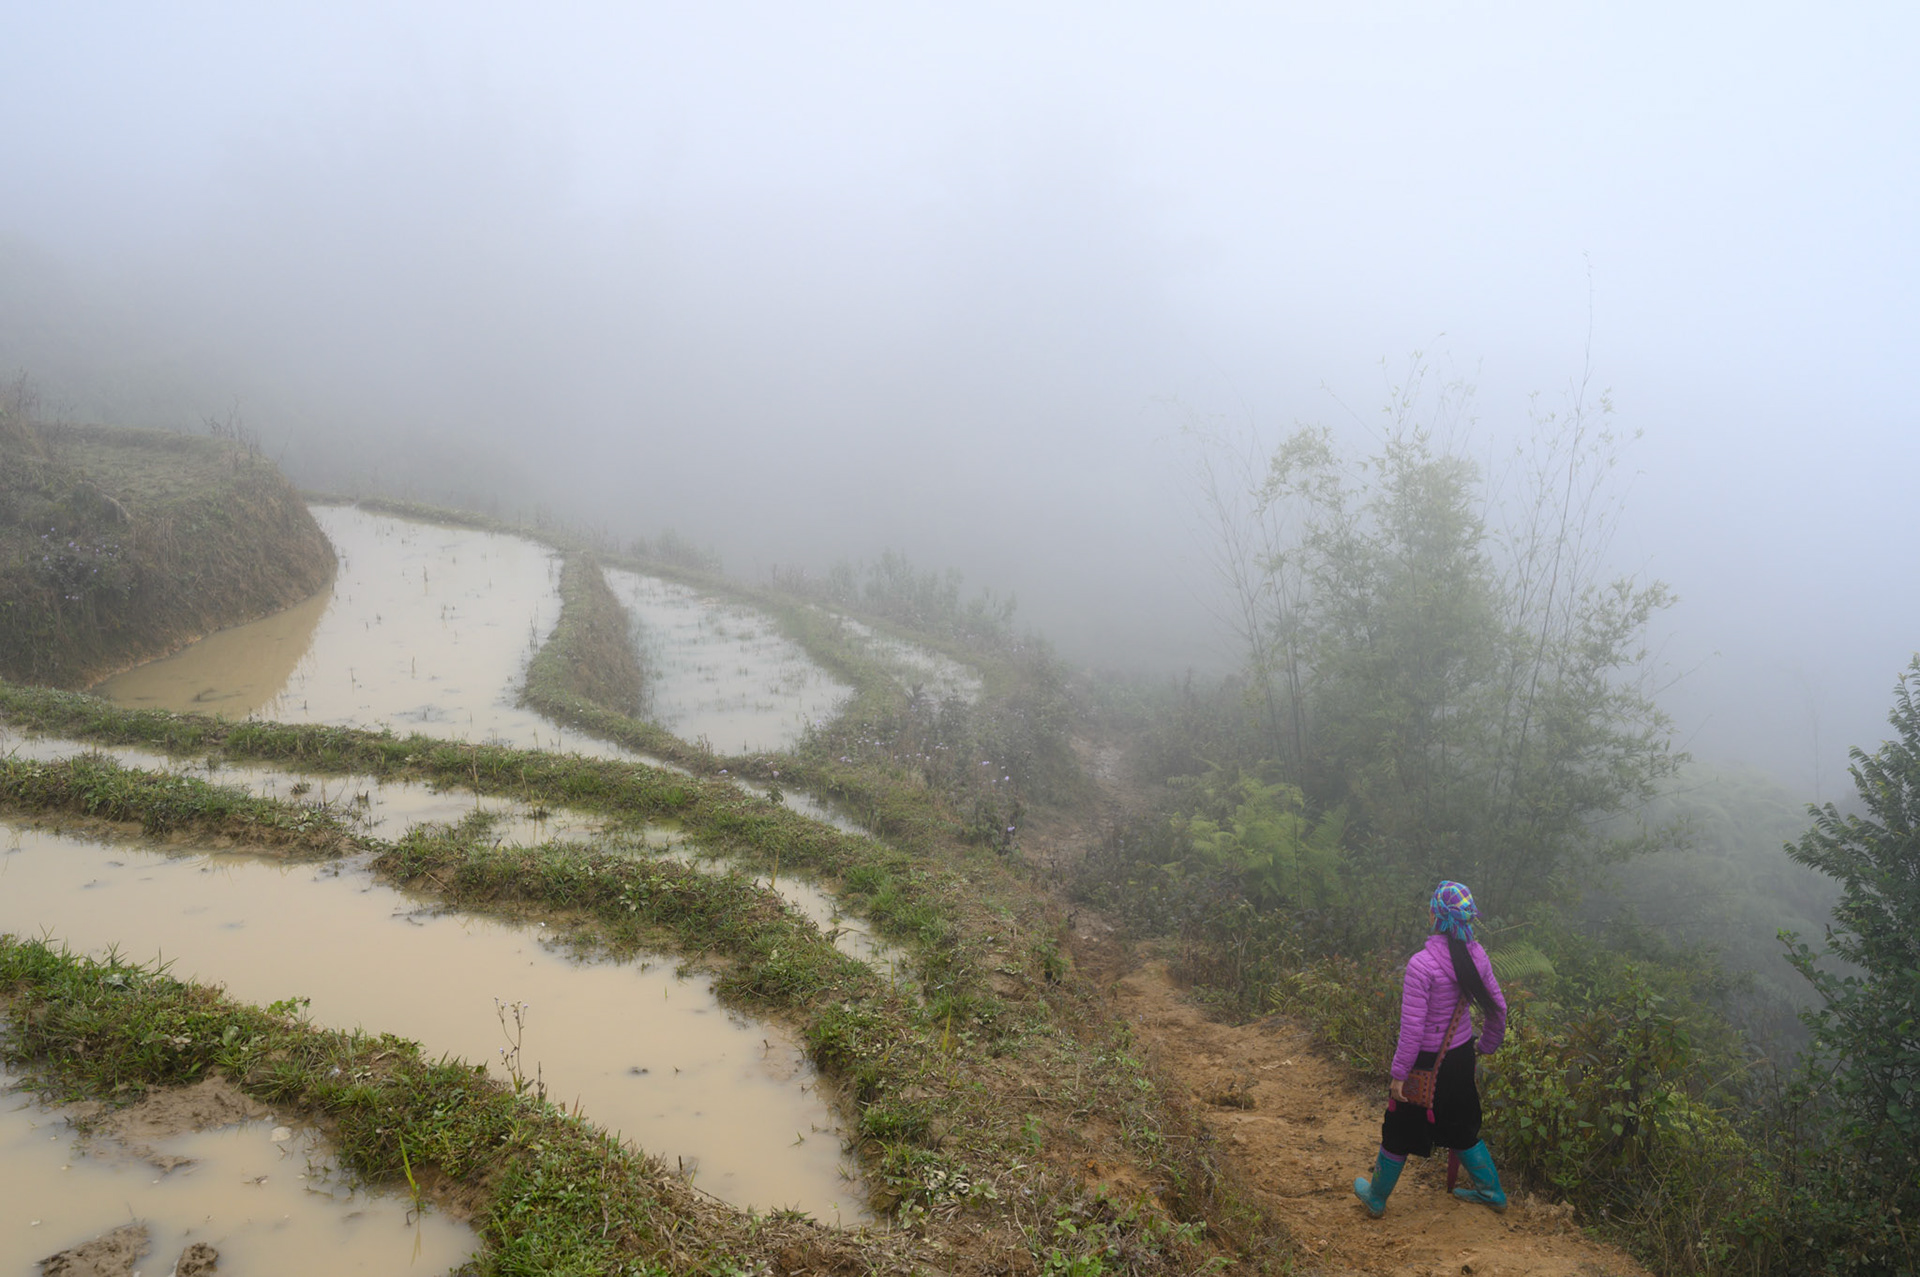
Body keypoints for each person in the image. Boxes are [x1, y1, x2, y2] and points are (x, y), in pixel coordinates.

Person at [1353, 879, 1510, 1217]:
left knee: (1399, 1128)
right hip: (1461, 1056)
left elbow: (1412, 1030)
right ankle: (1492, 1192)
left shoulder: (1421, 965)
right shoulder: (1477, 956)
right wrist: (1487, 1044)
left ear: (1436, 916)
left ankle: (1376, 1197)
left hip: (1424, 1064)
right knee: (1461, 1124)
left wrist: (1399, 1075)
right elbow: (1498, 1008)